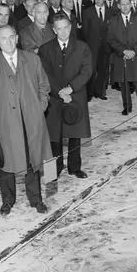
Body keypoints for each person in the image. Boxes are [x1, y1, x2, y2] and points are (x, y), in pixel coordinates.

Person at [0, 25, 52, 216]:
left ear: (17, 38)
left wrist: (39, 107)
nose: (8, 41)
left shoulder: (32, 59)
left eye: (11, 37)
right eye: (3, 39)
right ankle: (8, 200)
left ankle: (36, 198)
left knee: (33, 160)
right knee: (6, 162)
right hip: (5, 123)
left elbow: (44, 86)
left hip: (30, 121)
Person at [40, 15, 92, 179]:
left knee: (75, 134)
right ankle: (52, 170)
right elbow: (45, 74)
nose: (63, 32)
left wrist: (71, 88)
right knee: (52, 136)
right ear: (54, 30)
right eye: (59, 28)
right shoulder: (45, 49)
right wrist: (60, 92)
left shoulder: (82, 47)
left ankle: (74, 168)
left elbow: (87, 71)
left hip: (75, 94)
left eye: (66, 27)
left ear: (70, 27)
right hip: (54, 97)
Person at [82, 0, 115, 101]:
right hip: (92, 46)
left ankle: (99, 91)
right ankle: (89, 93)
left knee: (103, 70)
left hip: (106, 46)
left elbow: (112, 30)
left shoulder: (111, 12)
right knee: (91, 70)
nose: (98, 0)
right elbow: (85, 30)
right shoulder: (88, 12)